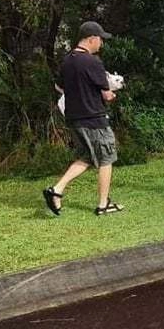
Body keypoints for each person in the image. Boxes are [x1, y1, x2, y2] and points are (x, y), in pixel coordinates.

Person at [43, 21, 125, 216]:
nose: (101, 44)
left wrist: (79, 94)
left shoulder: (67, 61)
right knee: (106, 158)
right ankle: (103, 204)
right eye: (100, 40)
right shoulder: (92, 62)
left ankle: (56, 191)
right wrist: (112, 94)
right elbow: (106, 94)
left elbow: (59, 87)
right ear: (91, 39)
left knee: (87, 157)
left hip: (74, 119)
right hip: (94, 119)